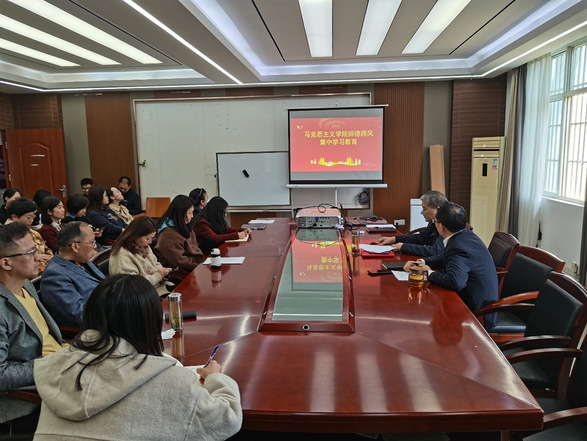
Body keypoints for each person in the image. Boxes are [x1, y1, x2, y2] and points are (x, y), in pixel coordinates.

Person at [33, 274, 242, 440]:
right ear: (150, 322)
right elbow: (227, 419)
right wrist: (215, 377)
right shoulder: (171, 381)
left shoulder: (59, 367)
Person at [0, 223, 65, 429]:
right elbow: (1, 376)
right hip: (31, 397)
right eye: (30, 253)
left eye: (36, 249)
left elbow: (46, 335)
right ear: (6, 263)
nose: (39, 257)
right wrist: (49, 364)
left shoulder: (26, 284)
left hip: (62, 366)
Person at [403, 202, 498, 329]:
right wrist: (422, 262)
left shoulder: (458, 246)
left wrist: (427, 273)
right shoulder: (465, 235)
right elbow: (446, 257)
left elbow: (455, 282)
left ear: (441, 226)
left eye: (435, 222)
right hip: (474, 299)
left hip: (479, 313)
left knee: (424, 309)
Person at [40, 222, 106, 328]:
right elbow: (79, 315)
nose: (95, 246)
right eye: (92, 242)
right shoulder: (54, 275)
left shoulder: (82, 260)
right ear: (75, 246)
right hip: (100, 326)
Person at [109, 216, 174, 296]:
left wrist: (162, 272)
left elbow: (155, 262)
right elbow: (131, 286)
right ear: (135, 235)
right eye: (147, 238)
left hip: (155, 287)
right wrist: (157, 276)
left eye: (152, 238)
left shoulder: (142, 245)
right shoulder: (123, 256)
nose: (150, 242)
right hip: (141, 295)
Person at [379, 190, 447, 257]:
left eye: (424, 208)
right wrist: (394, 239)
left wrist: (404, 247)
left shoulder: (447, 224)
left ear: (437, 209)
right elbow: (421, 238)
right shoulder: (434, 221)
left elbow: (435, 251)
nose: (422, 212)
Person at [154, 195, 204, 275]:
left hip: (193, 266)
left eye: (192, 212)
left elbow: (195, 248)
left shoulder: (185, 226)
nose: (192, 216)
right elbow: (180, 261)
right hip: (179, 272)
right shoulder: (168, 234)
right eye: (189, 213)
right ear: (180, 214)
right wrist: (201, 266)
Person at [6, 198, 53, 274]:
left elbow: (48, 251)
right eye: (28, 217)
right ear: (14, 217)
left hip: (45, 272)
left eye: (33, 218)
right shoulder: (5, 236)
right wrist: (36, 257)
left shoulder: (34, 233)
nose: (32, 221)